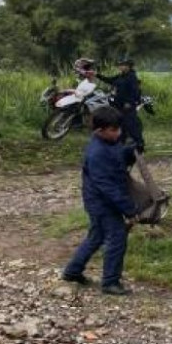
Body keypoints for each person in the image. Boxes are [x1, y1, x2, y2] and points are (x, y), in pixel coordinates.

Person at [62, 106, 138, 296]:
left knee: (96, 237)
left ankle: (72, 271)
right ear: (99, 131)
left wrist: (130, 151)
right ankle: (110, 282)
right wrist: (129, 208)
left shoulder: (110, 143)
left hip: (100, 201)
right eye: (114, 130)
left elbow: (119, 157)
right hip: (102, 203)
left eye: (119, 129)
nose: (118, 133)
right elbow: (107, 187)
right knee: (117, 237)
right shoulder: (97, 153)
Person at [97, 58, 144, 152]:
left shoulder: (132, 77)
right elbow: (110, 80)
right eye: (120, 65)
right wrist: (97, 75)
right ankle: (120, 144)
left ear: (128, 66)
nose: (121, 66)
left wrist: (129, 103)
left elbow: (135, 91)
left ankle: (140, 145)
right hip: (118, 104)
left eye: (123, 65)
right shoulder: (120, 76)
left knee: (131, 125)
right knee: (120, 124)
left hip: (128, 106)